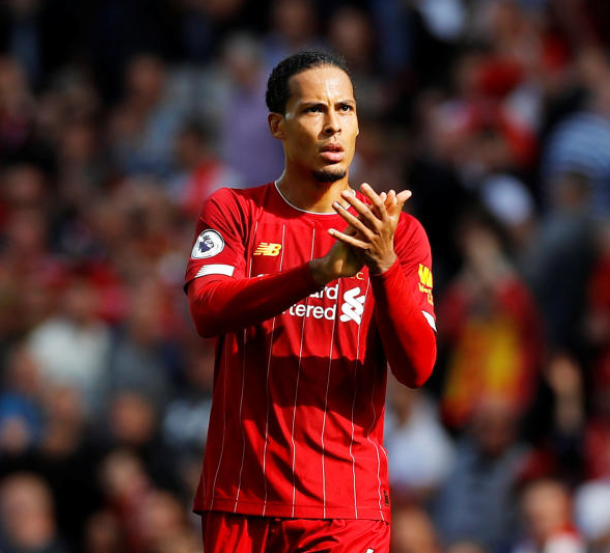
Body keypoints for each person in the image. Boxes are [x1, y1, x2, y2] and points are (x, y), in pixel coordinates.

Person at [184, 51, 437, 553]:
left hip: (345, 510)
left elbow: (417, 368)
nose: (332, 125)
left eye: (344, 109)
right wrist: (316, 273)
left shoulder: (398, 235)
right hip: (241, 502)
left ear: (358, 123)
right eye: (314, 110)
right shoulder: (235, 212)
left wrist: (384, 266)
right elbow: (207, 309)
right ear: (277, 126)